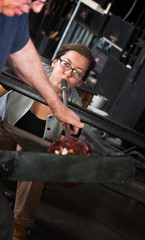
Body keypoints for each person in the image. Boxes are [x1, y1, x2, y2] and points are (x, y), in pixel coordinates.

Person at [0, 2, 83, 239]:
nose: (36, 9)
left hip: (29, 150)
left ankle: (20, 227)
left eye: (77, 73)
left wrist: (59, 108)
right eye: (66, 64)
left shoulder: (16, 15)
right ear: (55, 62)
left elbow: (24, 53)